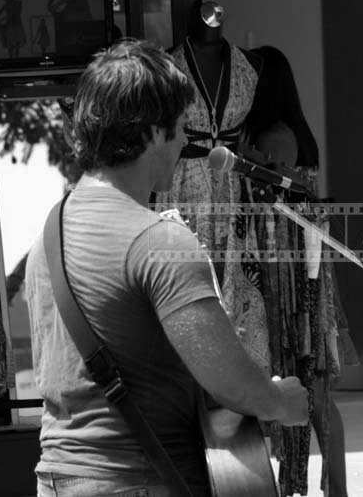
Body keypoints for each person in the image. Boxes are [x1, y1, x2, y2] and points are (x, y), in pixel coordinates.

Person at [25, 39, 308, 496]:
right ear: (151, 133)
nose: (183, 142)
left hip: (58, 477)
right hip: (136, 479)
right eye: (180, 129)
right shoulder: (161, 242)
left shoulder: (50, 232)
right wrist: (282, 401)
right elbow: (231, 383)